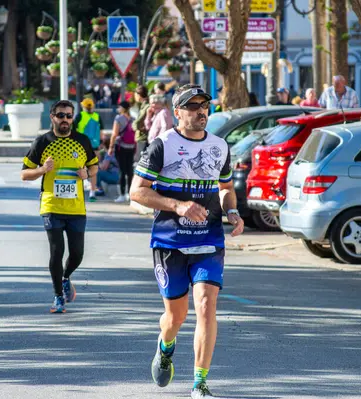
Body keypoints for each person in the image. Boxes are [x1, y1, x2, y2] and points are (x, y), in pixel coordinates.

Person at [130, 84, 244, 398]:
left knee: (206, 306)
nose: (200, 112)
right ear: (177, 112)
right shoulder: (162, 145)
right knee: (175, 317)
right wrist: (177, 205)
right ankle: (165, 347)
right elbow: (137, 192)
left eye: (204, 106)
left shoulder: (220, 146)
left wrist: (231, 210)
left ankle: (200, 383)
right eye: (192, 106)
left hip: (208, 239)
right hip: (170, 242)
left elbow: (225, 187)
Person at [21, 100, 98, 314]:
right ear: (53, 117)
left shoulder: (82, 141)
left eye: (69, 116)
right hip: (51, 205)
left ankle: (65, 278)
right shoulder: (42, 142)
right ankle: (57, 297)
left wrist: (87, 174)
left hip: (76, 208)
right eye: (61, 115)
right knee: (56, 252)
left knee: (77, 254)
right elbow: (24, 174)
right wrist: (42, 169)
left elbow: (94, 166)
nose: (65, 120)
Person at [74, 98, 104, 202]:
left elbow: (73, 130)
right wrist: (101, 144)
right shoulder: (97, 116)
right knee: (94, 170)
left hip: (81, 146)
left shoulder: (80, 116)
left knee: (79, 169)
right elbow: (101, 133)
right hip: (94, 147)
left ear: (83, 106)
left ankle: (78, 191)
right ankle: (92, 192)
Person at [108, 101, 136, 203]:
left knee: (122, 171)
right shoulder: (133, 119)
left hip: (121, 147)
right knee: (130, 171)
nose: (118, 108)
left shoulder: (118, 119)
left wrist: (111, 147)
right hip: (131, 147)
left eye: (119, 107)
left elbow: (114, 134)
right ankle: (130, 194)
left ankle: (122, 195)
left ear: (122, 108)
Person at [133, 85, 150, 162]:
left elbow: (136, 124)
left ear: (139, 95)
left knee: (140, 162)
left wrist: (134, 125)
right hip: (142, 137)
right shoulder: (144, 105)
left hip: (143, 138)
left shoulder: (146, 106)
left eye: (135, 95)